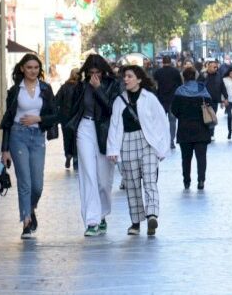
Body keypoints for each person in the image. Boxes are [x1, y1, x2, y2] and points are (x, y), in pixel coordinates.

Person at [0, 54, 58, 239]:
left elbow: (56, 115)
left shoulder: (46, 89)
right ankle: (25, 221)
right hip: (18, 136)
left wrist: (38, 118)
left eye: (36, 67)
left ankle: (31, 208)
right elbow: (8, 120)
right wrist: (4, 150)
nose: (33, 71)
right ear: (22, 68)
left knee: (37, 186)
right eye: (29, 67)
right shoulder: (15, 90)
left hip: (37, 137)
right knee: (24, 181)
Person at [107, 65, 169, 236]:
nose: (125, 79)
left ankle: (152, 215)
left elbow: (161, 122)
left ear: (139, 79)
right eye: (124, 77)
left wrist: (162, 147)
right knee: (132, 184)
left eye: (129, 76)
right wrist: (113, 149)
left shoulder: (150, 98)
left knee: (150, 180)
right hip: (127, 142)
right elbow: (115, 125)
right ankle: (135, 222)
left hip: (147, 142)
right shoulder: (119, 101)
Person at [66, 54, 121, 237]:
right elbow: (72, 109)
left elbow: (112, 109)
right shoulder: (81, 86)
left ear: (104, 71)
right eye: (91, 72)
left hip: (105, 131)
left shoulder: (112, 84)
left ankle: (102, 214)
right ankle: (91, 220)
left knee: (104, 181)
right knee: (88, 174)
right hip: (85, 128)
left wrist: (98, 89)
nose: (95, 76)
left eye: (98, 72)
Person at [172, 67, 213, 189]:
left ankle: (186, 181)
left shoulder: (179, 91)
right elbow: (211, 106)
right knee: (201, 157)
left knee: (186, 158)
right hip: (201, 129)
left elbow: (174, 110)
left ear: (183, 77)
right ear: (195, 76)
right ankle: (201, 180)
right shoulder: (202, 90)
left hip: (185, 129)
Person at [152, 56, 183, 149]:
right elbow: (180, 85)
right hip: (173, 100)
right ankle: (171, 141)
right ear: (170, 62)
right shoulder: (175, 72)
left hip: (161, 99)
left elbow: (154, 83)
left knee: (160, 121)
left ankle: (160, 140)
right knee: (172, 121)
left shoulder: (158, 72)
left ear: (162, 62)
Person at [56, 68, 81, 169]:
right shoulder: (81, 87)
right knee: (76, 138)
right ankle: (76, 158)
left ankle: (68, 155)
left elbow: (56, 100)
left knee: (67, 138)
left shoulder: (64, 86)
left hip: (65, 117)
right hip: (77, 117)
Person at [198, 60, 227, 140]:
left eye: (216, 67)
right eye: (214, 67)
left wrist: (225, 98)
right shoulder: (203, 75)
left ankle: (211, 133)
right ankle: (204, 132)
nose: (215, 68)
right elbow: (198, 86)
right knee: (204, 116)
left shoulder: (218, 75)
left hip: (214, 100)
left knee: (213, 116)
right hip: (204, 100)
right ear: (209, 67)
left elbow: (222, 87)